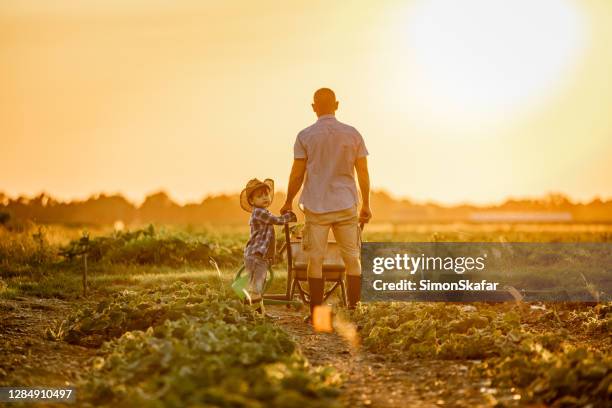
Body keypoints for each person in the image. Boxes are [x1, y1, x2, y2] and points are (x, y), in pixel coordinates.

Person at [280, 88, 371, 321]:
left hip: (316, 206)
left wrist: (288, 201)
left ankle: (317, 315)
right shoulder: (353, 134)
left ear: (313, 107)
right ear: (337, 105)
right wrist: (366, 205)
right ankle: (354, 311)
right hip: (346, 204)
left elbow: (297, 173)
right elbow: (362, 172)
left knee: (315, 260)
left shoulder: (305, 135)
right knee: (352, 258)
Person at [241, 178, 297, 302]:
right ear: (252, 201)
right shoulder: (259, 213)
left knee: (257, 285)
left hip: (259, 256)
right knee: (256, 287)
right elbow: (277, 220)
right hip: (256, 256)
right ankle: (252, 310)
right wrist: (289, 216)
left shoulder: (264, 212)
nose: (265, 197)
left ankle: (256, 311)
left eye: (266, 194)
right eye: (260, 196)